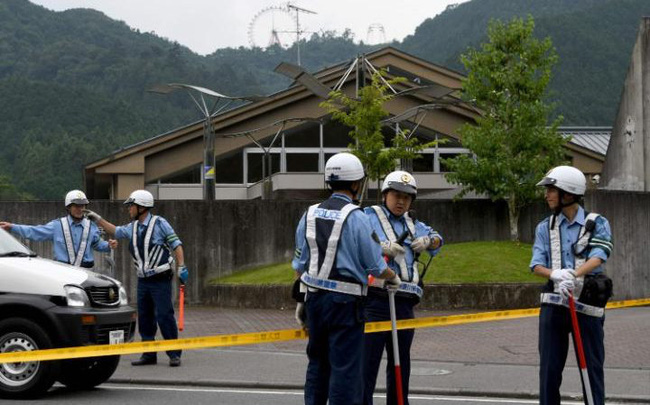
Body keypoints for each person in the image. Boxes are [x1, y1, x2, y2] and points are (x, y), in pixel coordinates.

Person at [292, 152, 401, 405]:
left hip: (314, 301)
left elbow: (300, 264)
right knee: (345, 370)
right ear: (356, 184)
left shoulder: (308, 214)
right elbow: (374, 265)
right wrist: (393, 276)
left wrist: (302, 299)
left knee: (317, 364)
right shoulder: (357, 217)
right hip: (346, 304)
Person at [530, 166, 613, 405]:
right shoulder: (544, 227)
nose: (547, 195)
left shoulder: (597, 223)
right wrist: (555, 274)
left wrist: (574, 274)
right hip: (554, 308)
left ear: (568, 193)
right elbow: (536, 264)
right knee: (549, 371)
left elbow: (599, 255)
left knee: (592, 369)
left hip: (587, 307)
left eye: (551, 190)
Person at [362, 170, 443, 405]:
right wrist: (380, 247)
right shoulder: (368, 215)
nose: (401, 201)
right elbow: (356, 238)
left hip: (405, 302)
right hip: (375, 299)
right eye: (396, 195)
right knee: (368, 362)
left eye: (406, 198)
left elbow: (439, 239)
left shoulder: (414, 224)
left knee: (400, 362)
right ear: (385, 194)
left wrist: (429, 241)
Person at [84, 189, 189, 368]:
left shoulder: (160, 223)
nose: (128, 209)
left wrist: (181, 266)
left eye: (131, 206)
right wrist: (97, 218)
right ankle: (149, 354)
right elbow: (115, 231)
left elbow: (176, 244)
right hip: (143, 280)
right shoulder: (132, 228)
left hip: (161, 278)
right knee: (145, 317)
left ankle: (174, 354)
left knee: (164, 316)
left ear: (142, 207)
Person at [0, 190, 117, 268]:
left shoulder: (91, 226)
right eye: (76, 206)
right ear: (68, 207)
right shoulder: (57, 225)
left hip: (87, 271)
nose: (80, 209)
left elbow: (97, 244)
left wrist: (108, 245)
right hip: (63, 270)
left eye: (82, 206)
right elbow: (34, 232)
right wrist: (12, 227)